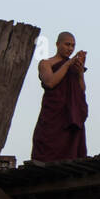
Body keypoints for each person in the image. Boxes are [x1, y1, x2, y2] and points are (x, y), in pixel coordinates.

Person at [31, 31, 89, 162]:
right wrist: (67, 64)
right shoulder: (46, 63)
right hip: (53, 115)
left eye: (73, 46)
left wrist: (80, 73)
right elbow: (50, 82)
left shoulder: (74, 66)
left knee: (71, 155)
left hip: (70, 116)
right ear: (57, 44)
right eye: (67, 44)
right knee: (46, 150)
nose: (70, 48)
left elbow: (81, 91)